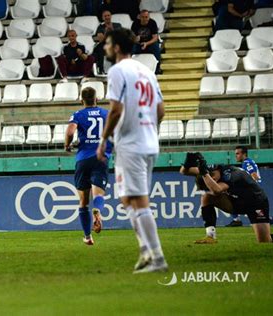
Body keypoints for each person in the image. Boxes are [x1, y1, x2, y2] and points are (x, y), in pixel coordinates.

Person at [96, 28, 167, 273]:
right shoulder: (147, 70)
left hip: (131, 144)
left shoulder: (116, 71)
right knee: (127, 199)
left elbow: (115, 110)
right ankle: (146, 252)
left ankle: (157, 257)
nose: (105, 47)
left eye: (107, 44)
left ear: (116, 48)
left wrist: (104, 139)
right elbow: (161, 110)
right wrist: (149, 131)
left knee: (139, 201)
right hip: (148, 141)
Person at [180, 153, 273, 244]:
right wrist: (188, 161)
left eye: (212, 176)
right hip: (236, 202)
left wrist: (205, 174)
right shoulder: (210, 171)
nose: (212, 178)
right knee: (207, 197)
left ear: (215, 173)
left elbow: (217, 190)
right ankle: (210, 237)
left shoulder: (231, 174)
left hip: (256, 203)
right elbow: (183, 171)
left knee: (264, 241)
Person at [65, 87, 113, 246]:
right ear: (97, 99)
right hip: (101, 157)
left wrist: (67, 144)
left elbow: (70, 131)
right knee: (98, 194)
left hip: (83, 159)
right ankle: (97, 211)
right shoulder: (106, 113)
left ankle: (87, 237)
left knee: (83, 201)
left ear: (81, 100)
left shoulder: (78, 114)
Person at [226, 146, 273, 226]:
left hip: (253, 194)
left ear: (244, 154)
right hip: (255, 194)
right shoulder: (247, 163)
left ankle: (236, 220)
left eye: (237, 153)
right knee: (261, 220)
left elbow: (254, 176)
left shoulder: (247, 163)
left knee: (229, 195)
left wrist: (246, 187)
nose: (236, 156)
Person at [131, 10, 162, 74]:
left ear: (149, 17)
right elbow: (132, 37)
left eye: (146, 17)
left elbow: (155, 38)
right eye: (143, 17)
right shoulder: (135, 24)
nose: (145, 19)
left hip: (150, 43)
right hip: (139, 44)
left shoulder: (152, 23)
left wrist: (146, 43)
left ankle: (157, 67)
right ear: (140, 17)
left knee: (156, 47)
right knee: (130, 48)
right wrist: (136, 40)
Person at [93, 10, 122, 75]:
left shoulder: (117, 25)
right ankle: (101, 70)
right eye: (105, 16)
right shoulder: (100, 27)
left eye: (108, 15)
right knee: (99, 48)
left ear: (111, 16)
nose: (107, 17)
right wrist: (106, 32)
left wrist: (112, 30)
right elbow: (101, 40)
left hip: (115, 43)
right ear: (103, 18)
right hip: (105, 44)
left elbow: (120, 37)